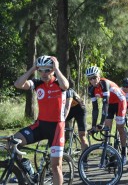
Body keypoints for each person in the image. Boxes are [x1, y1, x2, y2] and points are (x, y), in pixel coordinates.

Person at [14, 55, 69, 185]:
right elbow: (18, 84)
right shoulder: (37, 83)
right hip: (40, 125)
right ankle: (30, 172)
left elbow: (66, 85)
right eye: (41, 70)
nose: (44, 73)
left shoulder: (58, 83)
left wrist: (56, 68)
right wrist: (32, 68)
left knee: (55, 167)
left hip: (56, 128)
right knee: (13, 143)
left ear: (53, 70)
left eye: (47, 70)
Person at [86, 66, 128, 164]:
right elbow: (95, 109)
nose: (93, 80)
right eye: (90, 78)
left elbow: (105, 104)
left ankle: (123, 152)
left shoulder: (104, 83)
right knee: (107, 128)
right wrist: (93, 125)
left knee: (120, 127)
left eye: (94, 77)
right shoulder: (91, 89)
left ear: (99, 76)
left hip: (120, 102)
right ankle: (109, 152)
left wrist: (100, 123)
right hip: (110, 104)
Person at [64, 81, 89, 153]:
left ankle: (84, 159)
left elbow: (67, 106)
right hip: (69, 110)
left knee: (82, 135)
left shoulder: (69, 91)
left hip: (80, 110)